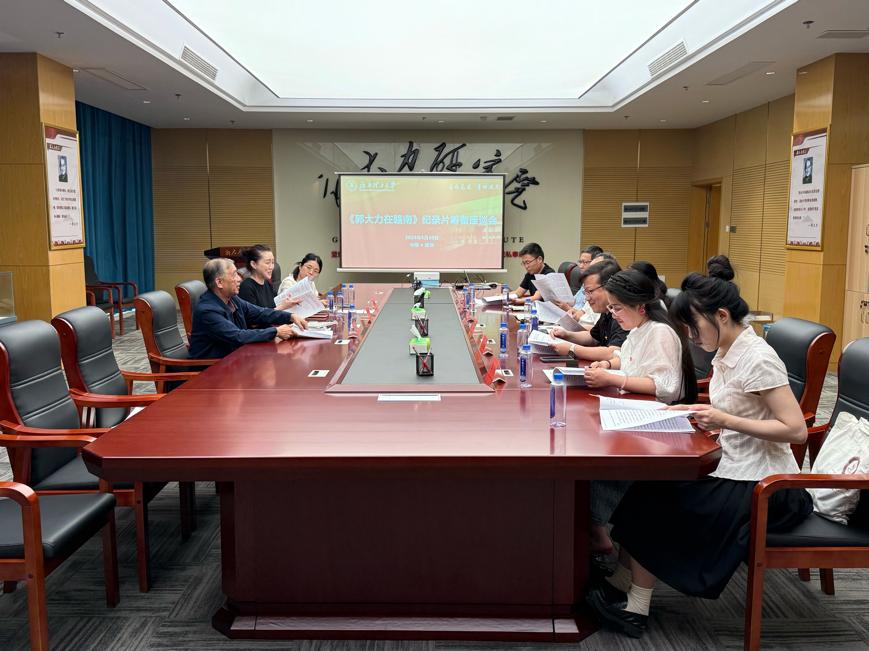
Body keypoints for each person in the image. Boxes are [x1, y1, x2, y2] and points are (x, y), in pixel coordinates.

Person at [586, 270, 812, 640]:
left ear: (721, 315)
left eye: (694, 327)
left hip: (766, 483)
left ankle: (635, 608)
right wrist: (694, 411)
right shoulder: (727, 350)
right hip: (733, 463)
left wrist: (724, 419)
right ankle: (624, 583)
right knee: (645, 490)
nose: (692, 337)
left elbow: (795, 429)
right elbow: (740, 408)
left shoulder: (758, 358)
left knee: (658, 502)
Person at [582, 268, 697, 556]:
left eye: (617, 308)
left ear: (640, 306)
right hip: (641, 410)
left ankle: (597, 529)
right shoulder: (640, 328)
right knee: (592, 434)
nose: (613, 315)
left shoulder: (660, 332)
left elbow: (667, 387)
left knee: (604, 452)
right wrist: (608, 365)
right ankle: (595, 526)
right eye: (611, 308)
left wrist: (613, 379)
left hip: (662, 420)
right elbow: (626, 358)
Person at [189, 258, 307, 359]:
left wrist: (290, 317)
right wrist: (276, 331)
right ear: (219, 282)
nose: (239, 279)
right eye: (234, 274)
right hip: (212, 369)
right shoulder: (207, 311)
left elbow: (260, 313)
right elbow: (238, 336)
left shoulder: (232, 299)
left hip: (235, 358)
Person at [549, 260, 626, 361]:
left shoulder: (623, 313)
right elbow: (593, 337)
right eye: (585, 292)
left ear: (609, 287)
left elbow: (613, 352)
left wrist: (572, 349)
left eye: (590, 291)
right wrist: (566, 335)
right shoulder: (607, 311)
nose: (587, 298)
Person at [238, 245, 297, 310]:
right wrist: (282, 307)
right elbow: (254, 315)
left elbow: (275, 307)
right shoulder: (246, 287)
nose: (271, 267)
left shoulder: (268, 284)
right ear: (254, 264)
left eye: (273, 262)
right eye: (267, 263)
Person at [553, 244, 602, 317]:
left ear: (596, 263)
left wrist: (567, 308)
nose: (581, 266)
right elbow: (574, 302)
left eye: (585, 262)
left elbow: (589, 316)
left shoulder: (597, 287)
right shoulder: (585, 282)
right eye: (580, 262)